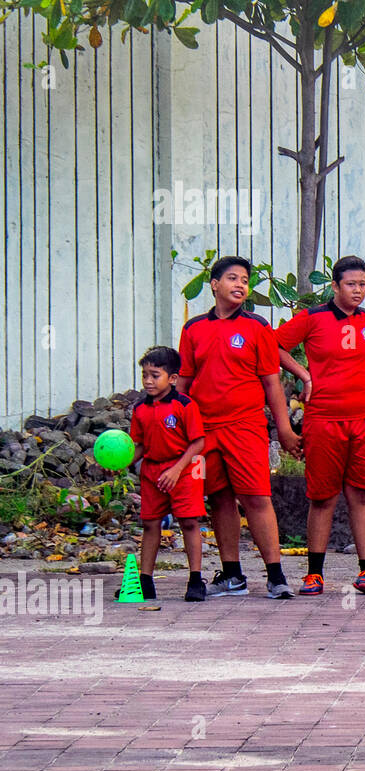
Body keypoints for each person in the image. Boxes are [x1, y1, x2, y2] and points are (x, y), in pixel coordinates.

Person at [276, 256, 365, 596]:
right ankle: (314, 573)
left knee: (360, 493)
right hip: (323, 418)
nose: (358, 291)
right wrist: (303, 373)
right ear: (335, 286)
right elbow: (274, 345)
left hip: (363, 418)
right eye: (351, 284)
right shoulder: (312, 318)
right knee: (322, 497)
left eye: (363, 284)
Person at [177, 255, 298, 600]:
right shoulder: (193, 329)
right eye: (232, 278)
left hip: (245, 426)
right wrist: (178, 431)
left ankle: (275, 576)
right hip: (205, 429)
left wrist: (284, 429)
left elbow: (272, 384)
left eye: (245, 280)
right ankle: (232, 575)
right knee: (219, 499)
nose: (240, 285)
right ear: (214, 285)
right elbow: (183, 384)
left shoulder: (257, 327)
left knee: (257, 497)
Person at [129, 346, 207, 602]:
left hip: (184, 470)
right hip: (152, 471)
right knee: (150, 524)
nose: (148, 381)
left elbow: (198, 443)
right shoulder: (139, 409)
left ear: (172, 378)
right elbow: (138, 445)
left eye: (155, 375)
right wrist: (123, 461)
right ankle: (144, 582)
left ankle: (196, 580)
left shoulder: (184, 405)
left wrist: (176, 470)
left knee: (189, 522)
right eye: (144, 375)